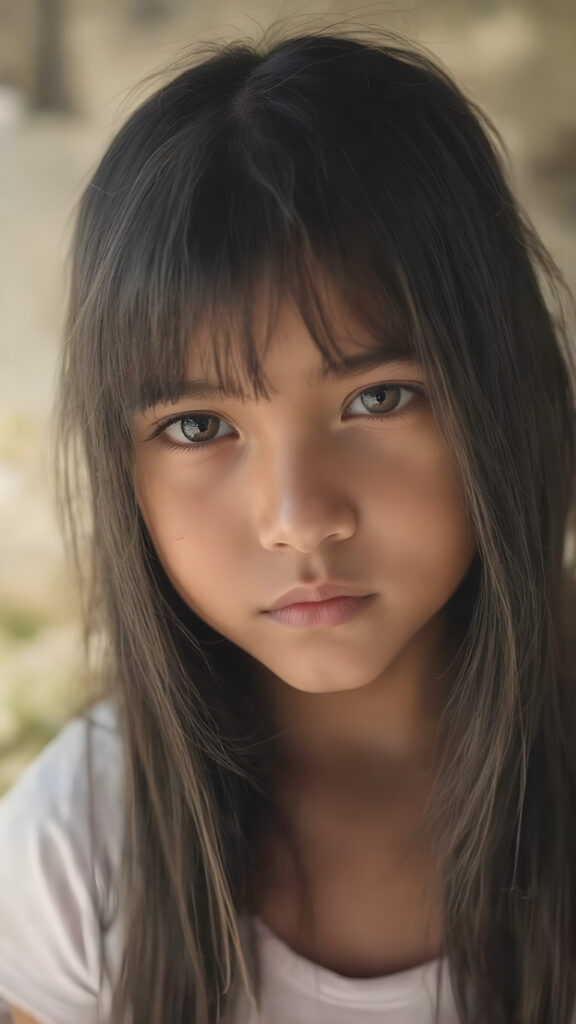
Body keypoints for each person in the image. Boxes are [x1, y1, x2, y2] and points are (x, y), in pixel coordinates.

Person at [0, 23, 575, 1024]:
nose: (300, 520)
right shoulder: (77, 852)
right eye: (198, 426)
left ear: (502, 390)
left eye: (379, 399)